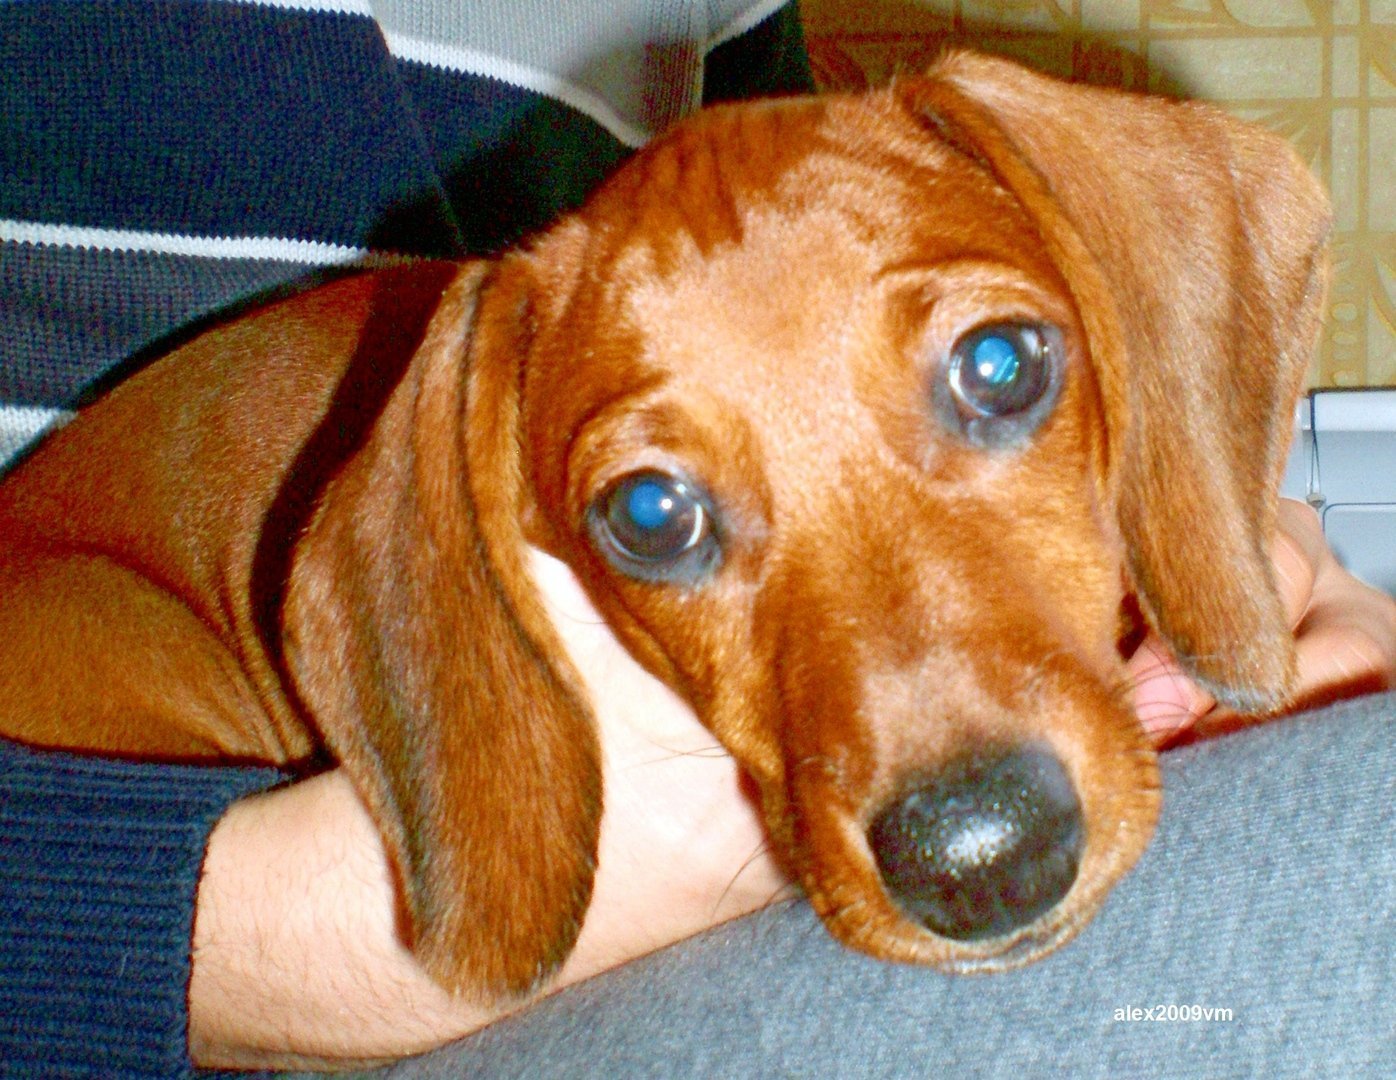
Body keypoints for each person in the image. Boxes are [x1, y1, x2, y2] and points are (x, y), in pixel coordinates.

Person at [0, 3, 1392, 1077]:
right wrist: (232, 932)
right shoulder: (469, 433)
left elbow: (754, 244)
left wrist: (1204, 540)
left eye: (996, 370)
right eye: (659, 515)